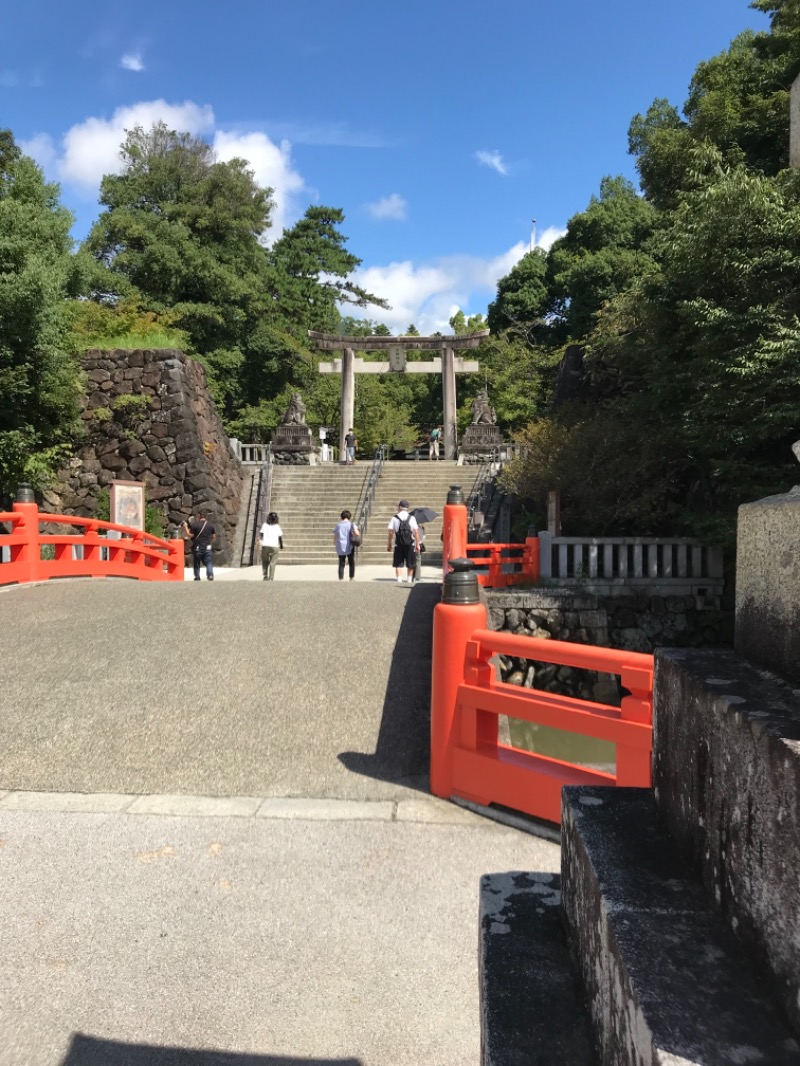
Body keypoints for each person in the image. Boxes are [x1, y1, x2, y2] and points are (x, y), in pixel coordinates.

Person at [387, 499, 420, 584]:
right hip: (410, 544)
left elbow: (391, 532)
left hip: (398, 544)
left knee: (398, 563)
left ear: (399, 507)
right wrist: (417, 544)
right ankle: (409, 580)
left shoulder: (395, 518)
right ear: (407, 508)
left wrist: (389, 544)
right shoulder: (412, 518)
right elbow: (416, 532)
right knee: (410, 563)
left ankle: (399, 580)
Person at [183, 509, 216, 581]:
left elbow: (190, 535)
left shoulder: (195, 525)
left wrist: (185, 527)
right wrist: (209, 541)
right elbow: (213, 536)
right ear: (206, 516)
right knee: (208, 562)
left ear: (199, 516)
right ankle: (210, 575)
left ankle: (197, 577)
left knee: (197, 563)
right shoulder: (211, 525)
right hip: (207, 547)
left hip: (197, 547)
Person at [333, 509, 360, 581]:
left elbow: (335, 535)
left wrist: (334, 541)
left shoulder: (338, 525)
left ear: (341, 517)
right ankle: (351, 577)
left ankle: (341, 578)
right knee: (351, 562)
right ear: (349, 517)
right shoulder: (352, 524)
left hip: (340, 546)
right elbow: (357, 533)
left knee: (341, 563)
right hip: (350, 546)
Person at [260, 512, 284, 581]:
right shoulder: (277, 526)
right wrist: (281, 545)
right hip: (274, 546)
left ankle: (265, 576)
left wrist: (261, 541)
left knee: (265, 561)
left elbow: (261, 534)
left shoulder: (265, 525)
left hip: (265, 545)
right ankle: (271, 577)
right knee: (272, 563)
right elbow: (280, 537)